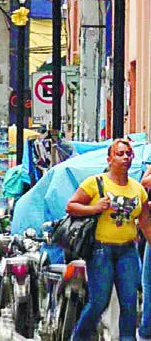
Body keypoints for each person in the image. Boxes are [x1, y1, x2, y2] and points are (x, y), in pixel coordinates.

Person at [68, 139, 147, 341]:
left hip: (128, 251)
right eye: (120, 154)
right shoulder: (95, 183)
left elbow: (145, 220)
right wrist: (94, 208)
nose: (125, 158)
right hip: (101, 251)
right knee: (99, 302)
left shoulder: (137, 189)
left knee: (129, 303)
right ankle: (80, 337)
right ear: (109, 159)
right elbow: (71, 206)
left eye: (128, 154)